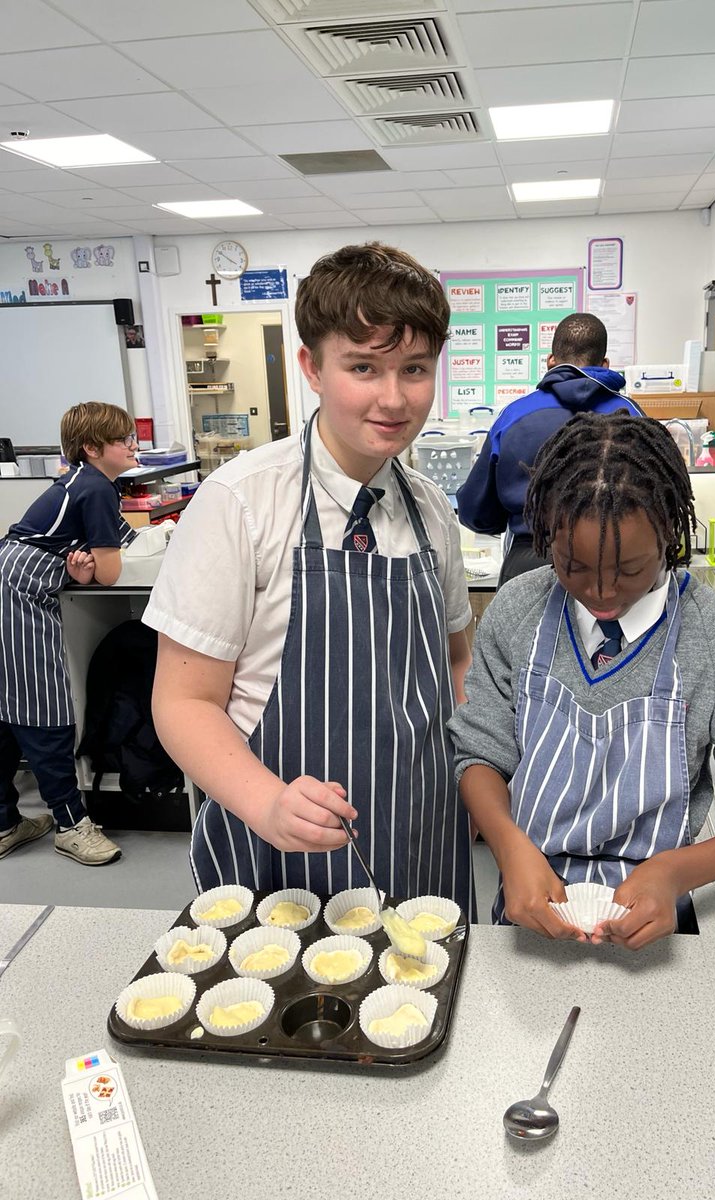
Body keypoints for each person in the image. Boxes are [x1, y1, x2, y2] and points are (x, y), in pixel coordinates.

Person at [145, 242, 474, 912]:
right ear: (312, 368)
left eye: (415, 369)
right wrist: (266, 803)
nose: (393, 397)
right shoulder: (240, 502)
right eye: (363, 367)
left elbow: (456, 663)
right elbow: (183, 702)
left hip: (424, 843)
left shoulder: (433, 512)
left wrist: (477, 784)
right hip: (278, 852)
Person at [448, 412, 715, 948]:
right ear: (547, 533)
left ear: (670, 534)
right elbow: (479, 755)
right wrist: (511, 848)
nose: (601, 592)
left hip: (656, 931)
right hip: (529, 917)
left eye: (628, 570)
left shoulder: (714, 636)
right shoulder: (518, 611)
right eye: (572, 565)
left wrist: (677, 872)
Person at [0, 401, 138, 865]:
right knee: (42, 709)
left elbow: (112, 549)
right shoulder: (96, 487)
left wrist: (84, 568)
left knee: (8, 704)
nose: (133, 447)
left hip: (17, 580)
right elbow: (113, 572)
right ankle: (68, 823)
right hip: (21, 593)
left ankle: (5, 822)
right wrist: (92, 568)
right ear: (93, 448)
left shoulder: (89, 483)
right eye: (124, 441)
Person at [456, 312, 643, 587]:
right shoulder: (633, 416)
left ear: (551, 361)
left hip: (529, 560)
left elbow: (475, 510)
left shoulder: (514, 416)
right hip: (614, 564)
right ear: (604, 364)